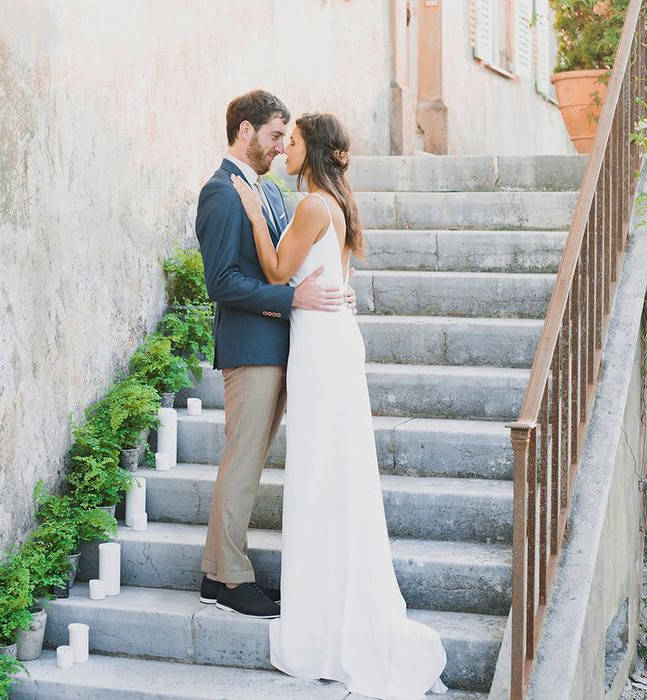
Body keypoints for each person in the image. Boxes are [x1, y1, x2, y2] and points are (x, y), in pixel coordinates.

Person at [229, 112, 448, 700]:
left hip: (321, 347)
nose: (286, 149)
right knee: (334, 474)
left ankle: (323, 615)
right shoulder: (336, 204)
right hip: (333, 339)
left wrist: (254, 215)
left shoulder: (312, 205)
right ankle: (336, 599)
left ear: (313, 149)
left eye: (293, 141)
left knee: (321, 473)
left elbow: (278, 270)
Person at [195, 90, 356, 619]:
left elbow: (288, 260)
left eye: (288, 138)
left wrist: (327, 288)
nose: (282, 146)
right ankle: (225, 578)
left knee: (253, 461)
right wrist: (291, 297)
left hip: (287, 345)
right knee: (241, 462)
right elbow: (221, 283)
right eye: (273, 136)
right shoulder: (220, 192)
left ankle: (225, 569)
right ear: (245, 131)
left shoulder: (270, 195)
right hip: (251, 349)